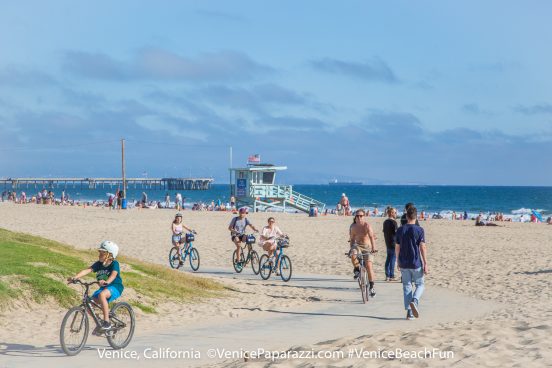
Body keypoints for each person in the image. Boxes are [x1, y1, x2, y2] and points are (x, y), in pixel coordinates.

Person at [67, 241, 124, 330]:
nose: (100, 255)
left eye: (103, 253)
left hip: (115, 287)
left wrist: (107, 282)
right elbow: (87, 270)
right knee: (89, 303)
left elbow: (113, 274)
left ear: (110, 255)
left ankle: (106, 322)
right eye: (100, 252)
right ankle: (99, 321)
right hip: (104, 288)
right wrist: (75, 277)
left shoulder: (114, 264)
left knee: (102, 295)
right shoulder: (98, 264)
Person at [395, 206, 428, 320]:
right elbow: (422, 247)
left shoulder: (400, 229)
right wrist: (425, 263)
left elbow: (397, 247)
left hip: (404, 262)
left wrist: (397, 261)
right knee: (420, 285)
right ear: (416, 216)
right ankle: (415, 300)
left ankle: (409, 312)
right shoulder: (419, 230)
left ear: (407, 216)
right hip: (415, 262)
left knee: (407, 286)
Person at [349, 209, 378, 297]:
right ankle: (357, 269)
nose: (359, 218)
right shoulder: (353, 226)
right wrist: (351, 248)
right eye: (357, 216)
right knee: (353, 254)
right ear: (355, 217)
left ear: (363, 217)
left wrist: (373, 248)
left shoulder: (367, 226)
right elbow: (352, 239)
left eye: (361, 216)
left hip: (367, 247)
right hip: (357, 246)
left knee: (369, 265)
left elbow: (372, 237)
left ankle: (372, 287)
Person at [383, 207, 398, 281]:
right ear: (391, 213)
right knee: (392, 259)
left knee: (388, 259)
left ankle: (387, 275)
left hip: (387, 242)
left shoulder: (385, 222)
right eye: (395, 212)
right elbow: (396, 233)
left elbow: (385, 232)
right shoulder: (393, 222)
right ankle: (391, 276)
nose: (396, 214)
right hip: (393, 242)